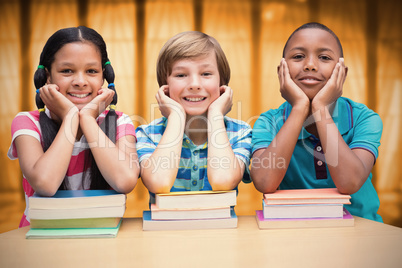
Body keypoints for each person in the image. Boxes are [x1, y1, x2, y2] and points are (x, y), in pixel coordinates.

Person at [8, 26, 139, 227]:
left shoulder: (120, 122)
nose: (80, 81)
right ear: (48, 77)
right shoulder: (27, 122)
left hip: (104, 235)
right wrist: (71, 117)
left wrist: (87, 119)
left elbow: (125, 181)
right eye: (67, 71)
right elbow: (46, 184)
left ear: (103, 77)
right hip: (40, 240)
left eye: (91, 71)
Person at [251, 22, 383, 222]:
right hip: (292, 233)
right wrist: (299, 108)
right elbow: (264, 182)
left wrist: (320, 109)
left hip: (361, 234)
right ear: (282, 71)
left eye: (324, 57)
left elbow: (349, 182)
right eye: (298, 57)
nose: (310, 65)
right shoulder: (268, 122)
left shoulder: (364, 119)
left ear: (342, 73)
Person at [136, 31, 252, 203]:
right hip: (164, 229)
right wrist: (176, 116)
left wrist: (215, 115)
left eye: (206, 74)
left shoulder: (240, 132)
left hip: (221, 229)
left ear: (222, 83)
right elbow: (159, 183)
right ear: (165, 86)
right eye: (181, 75)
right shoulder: (147, 134)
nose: (195, 85)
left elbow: (223, 180)